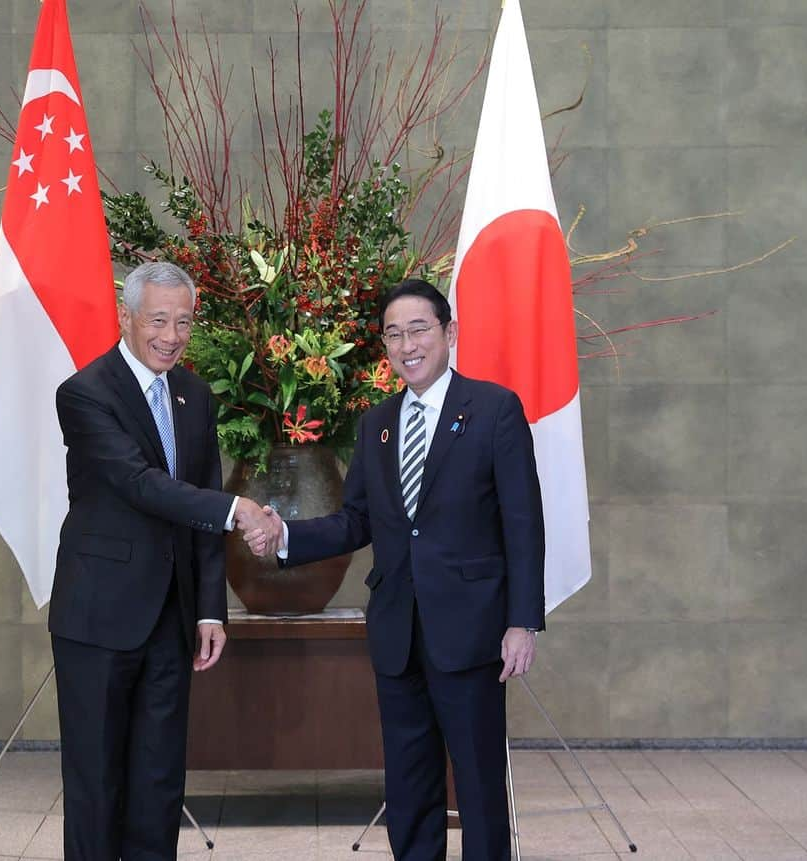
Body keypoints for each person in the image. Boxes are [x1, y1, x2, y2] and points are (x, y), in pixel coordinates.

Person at [248, 279, 545, 861]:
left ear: (448, 334)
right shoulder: (376, 423)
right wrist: (286, 537)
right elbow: (356, 521)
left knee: (480, 781)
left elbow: (524, 524)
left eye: (419, 329)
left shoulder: (493, 410)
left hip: (472, 630)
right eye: (393, 334)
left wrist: (522, 622)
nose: (406, 344)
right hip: (397, 631)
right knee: (409, 784)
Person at [48, 261, 279, 860]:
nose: (172, 336)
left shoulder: (195, 395)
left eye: (183, 322)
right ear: (126, 316)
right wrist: (240, 510)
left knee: (158, 784)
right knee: (97, 785)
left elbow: (198, 511)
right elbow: (141, 484)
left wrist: (210, 610)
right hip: (98, 618)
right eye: (158, 320)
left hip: (171, 621)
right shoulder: (83, 394)